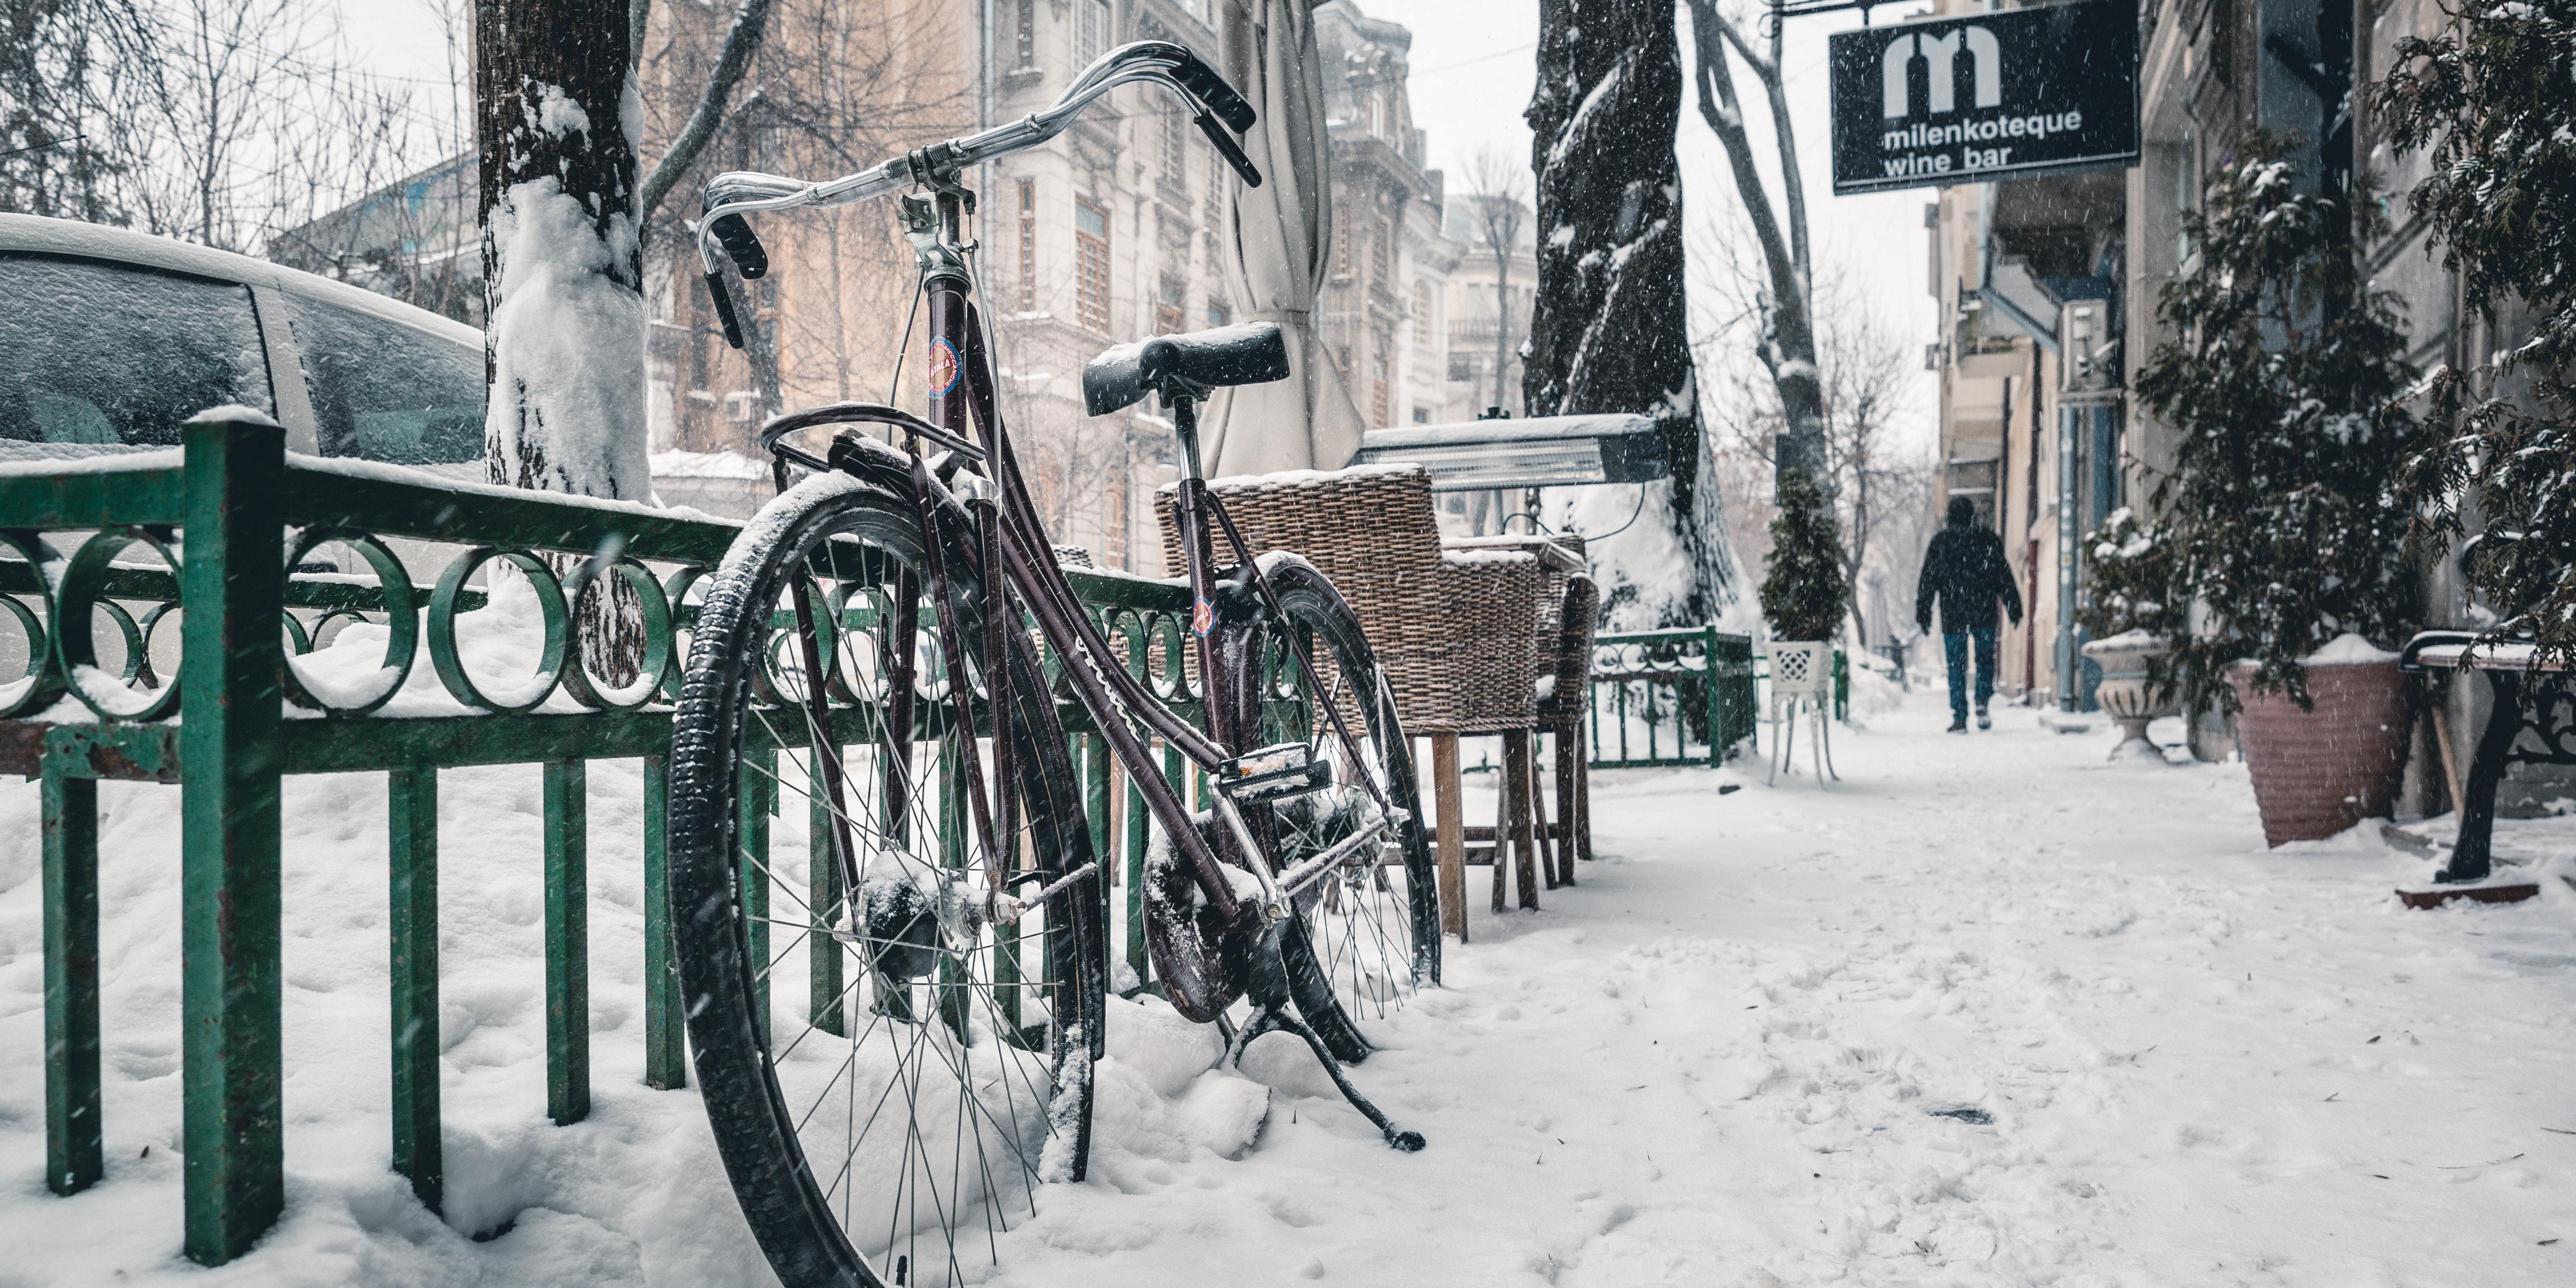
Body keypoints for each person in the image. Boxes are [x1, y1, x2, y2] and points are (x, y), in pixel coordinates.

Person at [1915, 496, 2023, 733]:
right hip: (1983, 611)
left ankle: (1960, 717)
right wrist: (2013, 605)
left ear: (1949, 517)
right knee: (1985, 660)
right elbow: (2003, 575)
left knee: (1956, 665)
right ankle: (1982, 699)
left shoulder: (1941, 542)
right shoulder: (1988, 540)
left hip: (1953, 614)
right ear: (1972, 515)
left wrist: (1923, 612)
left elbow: (1928, 581)